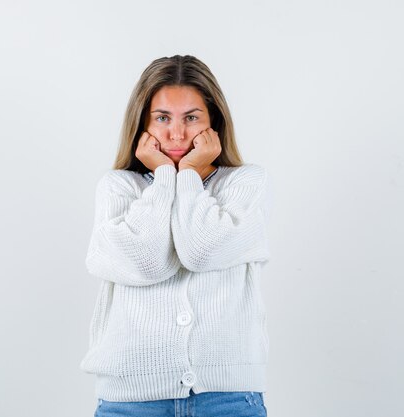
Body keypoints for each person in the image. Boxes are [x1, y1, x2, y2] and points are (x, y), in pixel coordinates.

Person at [79, 55, 272, 417]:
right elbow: (146, 261)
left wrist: (190, 175)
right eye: (163, 118)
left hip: (227, 398)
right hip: (131, 401)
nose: (177, 133)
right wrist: (166, 176)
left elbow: (201, 251)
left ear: (213, 122)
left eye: (192, 118)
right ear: (143, 123)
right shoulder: (119, 188)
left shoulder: (246, 184)